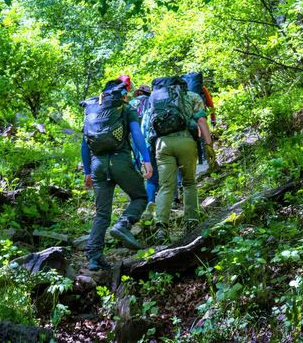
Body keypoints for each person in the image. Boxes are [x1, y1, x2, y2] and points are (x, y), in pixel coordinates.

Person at [81, 79, 153, 270]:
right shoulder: (124, 108)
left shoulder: (91, 110)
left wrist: (87, 171)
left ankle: (94, 258)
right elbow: (137, 134)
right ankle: (123, 224)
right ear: (120, 93)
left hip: (97, 165)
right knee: (140, 197)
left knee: (102, 213)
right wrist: (146, 159)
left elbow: (84, 144)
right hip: (119, 161)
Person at [145, 76, 216, 243]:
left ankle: (161, 227)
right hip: (185, 141)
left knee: (165, 187)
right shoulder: (192, 96)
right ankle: (191, 222)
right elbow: (201, 120)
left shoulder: (155, 98)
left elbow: (149, 123)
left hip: (162, 144)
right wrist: (209, 145)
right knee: (189, 183)